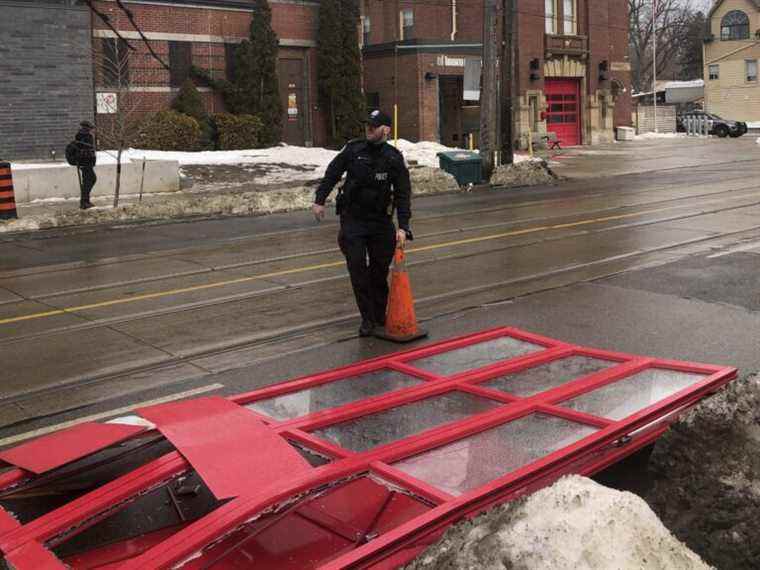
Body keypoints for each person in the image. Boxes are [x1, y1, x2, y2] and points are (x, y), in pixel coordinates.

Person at [313, 109, 413, 337]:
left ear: (385, 130)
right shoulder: (353, 150)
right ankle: (367, 319)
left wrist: (403, 226)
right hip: (353, 221)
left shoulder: (393, 158)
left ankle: (379, 315)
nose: (368, 129)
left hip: (380, 223)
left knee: (378, 273)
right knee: (357, 271)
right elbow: (332, 173)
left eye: (373, 126)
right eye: (367, 125)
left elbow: (402, 194)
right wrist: (319, 200)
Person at [75, 120, 97, 209]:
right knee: (91, 180)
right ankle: (84, 202)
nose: (91, 130)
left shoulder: (81, 136)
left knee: (88, 181)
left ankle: (85, 201)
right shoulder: (84, 136)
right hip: (86, 162)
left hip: (85, 162)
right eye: (90, 128)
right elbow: (86, 149)